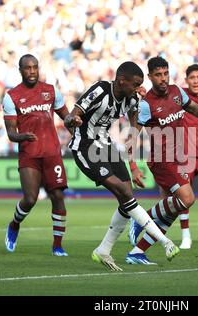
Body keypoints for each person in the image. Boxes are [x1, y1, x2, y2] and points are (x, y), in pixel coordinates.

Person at [64, 61, 180, 271]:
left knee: (126, 193)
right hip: (85, 147)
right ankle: (164, 242)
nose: (137, 89)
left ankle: (103, 250)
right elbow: (71, 117)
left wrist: (134, 164)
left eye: (139, 85)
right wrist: (74, 121)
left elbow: (135, 124)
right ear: (121, 81)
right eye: (134, 84)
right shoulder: (100, 90)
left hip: (106, 145)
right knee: (123, 191)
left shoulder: (132, 98)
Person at [125, 56, 198, 264]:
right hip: (162, 160)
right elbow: (132, 136)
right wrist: (134, 167)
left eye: (165, 73)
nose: (163, 79)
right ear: (150, 77)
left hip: (181, 157)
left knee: (173, 210)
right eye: (158, 75)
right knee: (187, 199)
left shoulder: (176, 92)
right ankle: (141, 218)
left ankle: (137, 251)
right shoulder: (146, 105)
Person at [2, 54, 69, 256]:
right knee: (30, 199)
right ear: (20, 70)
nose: (32, 71)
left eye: (35, 67)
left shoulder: (50, 91)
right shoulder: (11, 96)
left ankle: (57, 245)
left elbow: (67, 118)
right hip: (29, 154)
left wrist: (75, 124)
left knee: (57, 196)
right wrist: (21, 136)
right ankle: (14, 224)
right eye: (27, 68)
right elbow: (11, 133)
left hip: (52, 154)